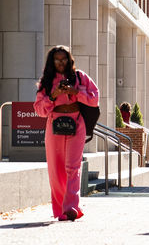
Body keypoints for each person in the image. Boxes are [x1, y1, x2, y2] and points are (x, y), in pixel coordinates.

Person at [33, 45, 99, 221]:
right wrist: (54, 95)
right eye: (57, 59)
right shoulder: (46, 81)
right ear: (52, 61)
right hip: (54, 125)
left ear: (69, 60)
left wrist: (76, 92)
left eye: (64, 59)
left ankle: (71, 207)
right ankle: (61, 209)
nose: (61, 63)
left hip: (76, 123)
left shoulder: (80, 77)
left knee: (73, 167)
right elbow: (39, 110)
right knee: (56, 170)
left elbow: (94, 99)